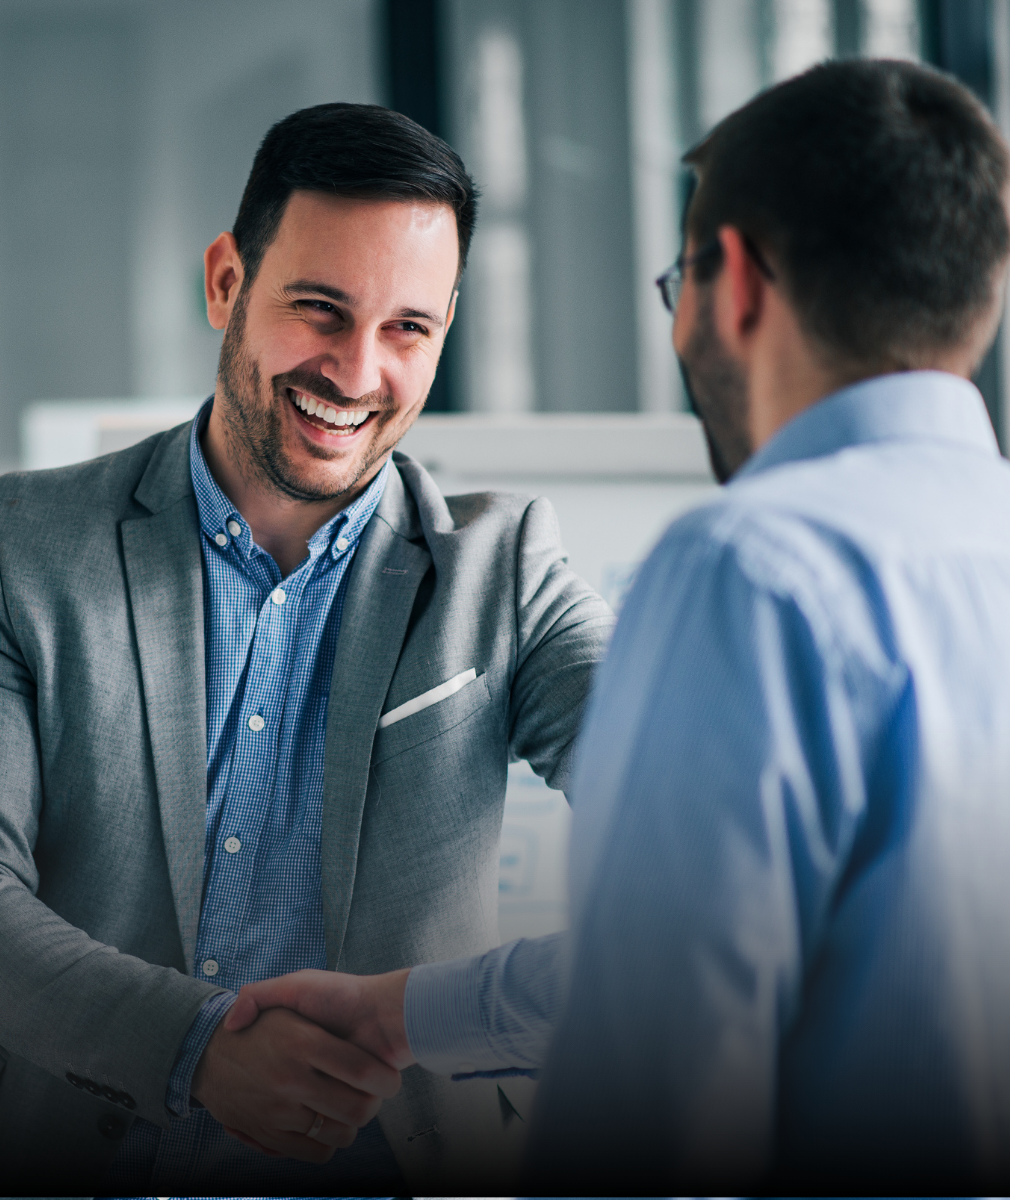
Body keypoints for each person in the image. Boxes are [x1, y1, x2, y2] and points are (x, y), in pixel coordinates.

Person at [227, 58, 1010, 1192]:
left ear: (734, 283)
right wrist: (404, 1013)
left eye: (677, 281)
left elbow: (660, 1072)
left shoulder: (749, 566)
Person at [0, 102, 613, 1193]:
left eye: (407, 329)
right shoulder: (17, 544)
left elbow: (706, 835)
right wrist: (196, 1049)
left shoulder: (503, 575)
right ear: (227, 282)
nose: (356, 371)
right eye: (319, 309)